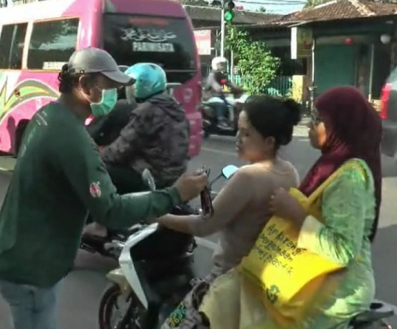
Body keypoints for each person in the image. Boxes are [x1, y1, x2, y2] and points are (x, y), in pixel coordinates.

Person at [0, 47, 208, 329]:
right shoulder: (73, 139)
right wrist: (175, 194)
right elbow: (111, 209)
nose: (115, 95)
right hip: (31, 266)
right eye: (109, 87)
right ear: (84, 85)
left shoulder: (48, 116)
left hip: (20, 251)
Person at [197, 86, 383, 329]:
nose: (310, 125)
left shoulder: (349, 178)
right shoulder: (332, 163)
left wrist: (295, 214)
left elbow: (342, 250)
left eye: (319, 120)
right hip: (311, 274)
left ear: (341, 126)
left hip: (337, 291)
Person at [156, 95, 301, 329]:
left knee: (172, 325)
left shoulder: (248, 177)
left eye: (246, 133)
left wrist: (157, 215)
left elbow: (204, 225)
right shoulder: (289, 172)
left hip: (225, 283)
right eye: (238, 130)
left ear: (269, 141)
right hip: (263, 283)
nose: (238, 138)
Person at [85, 63, 191, 238]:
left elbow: (119, 151)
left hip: (151, 177)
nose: (129, 90)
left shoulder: (146, 111)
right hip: (173, 176)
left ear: (140, 86)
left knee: (98, 172)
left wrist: (95, 157)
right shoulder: (175, 107)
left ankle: (100, 224)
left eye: (131, 85)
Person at [203, 56, 240, 129]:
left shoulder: (222, 76)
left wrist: (237, 89)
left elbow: (228, 84)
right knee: (220, 103)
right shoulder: (212, 75)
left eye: (224, 64)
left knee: (234, 103)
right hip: (210, 97)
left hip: (221, 97)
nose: (223, 66)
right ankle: (221, 121)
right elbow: (217, 88)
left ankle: (233, 121)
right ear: (215, 65)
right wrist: (228, 89)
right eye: (221, 64)